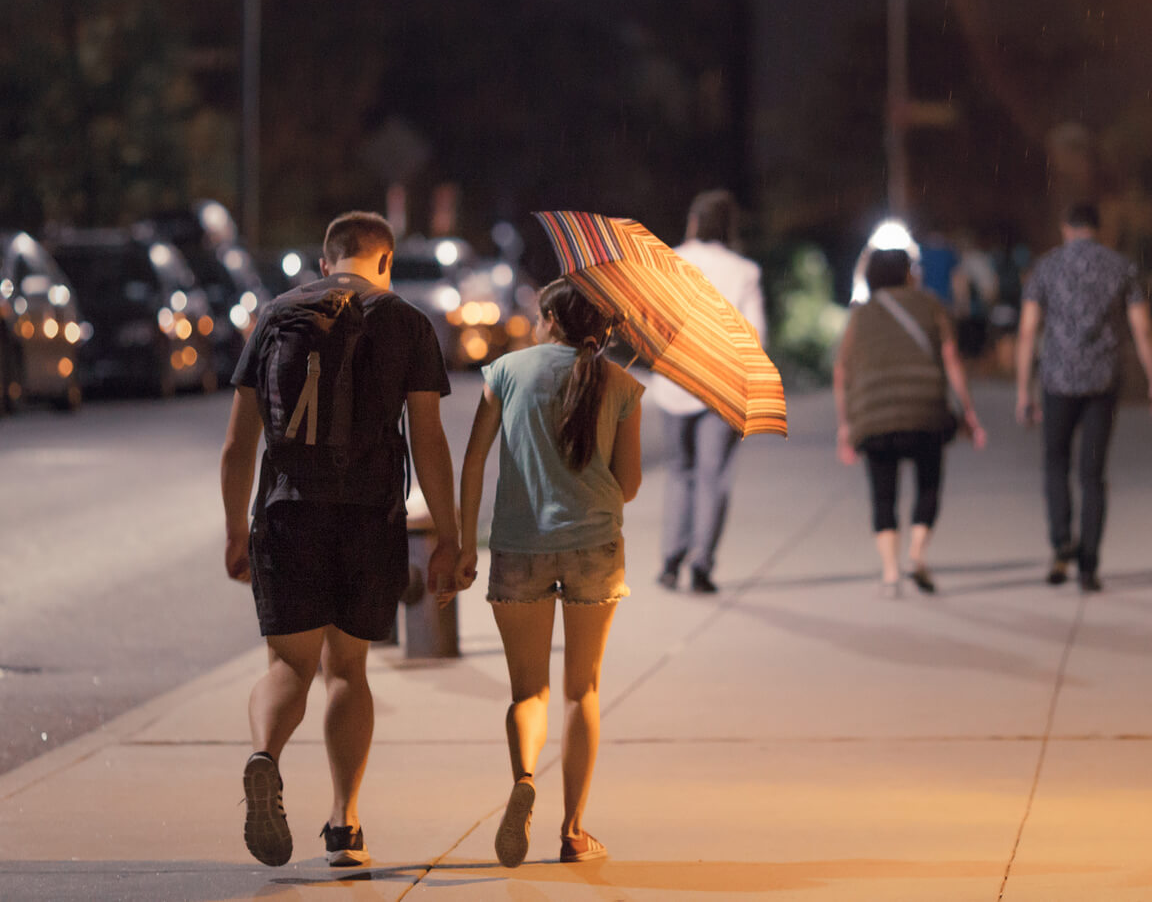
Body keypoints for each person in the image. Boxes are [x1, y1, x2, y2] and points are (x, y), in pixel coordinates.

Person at [220, 211, 460, 868]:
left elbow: (239, 444)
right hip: (367, 515)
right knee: (347, 669)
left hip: (288, 512)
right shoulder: (407, 321)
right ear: (383, 261)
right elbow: (430, 440)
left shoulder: (274, 316)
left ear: (326, 261)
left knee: (288, 666)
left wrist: (236, 528)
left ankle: (265, 754)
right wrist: (449, 534)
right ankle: (345, 823)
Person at [457, 277, 644, 868]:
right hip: (593, 547)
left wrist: (464, 543)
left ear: (550, 320)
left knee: (527, 691)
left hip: (518, 547)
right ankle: (573, 832)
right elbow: (630, 485)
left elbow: (474, 461)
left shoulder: (509, 372)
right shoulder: (621, 383)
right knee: (581, 688)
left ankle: (525, 778)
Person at [1014, 201, 1152, 592]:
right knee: (1093, 474)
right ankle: (1088, 566)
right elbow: (1143, 327)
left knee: (1055, 463)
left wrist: (1023, 390)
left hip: (1056, 381)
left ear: (1066, 228)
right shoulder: (1121, 267)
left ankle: (1062, 542)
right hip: (1102, 382)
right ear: (1098, 230)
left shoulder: (1046, 267)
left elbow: (1028, 330)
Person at [834, 248, 986, 597]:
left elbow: (842, 371)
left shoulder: (861, 315)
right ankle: (917, 553)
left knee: (882, 494)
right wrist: (968, 411)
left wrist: (845, 424)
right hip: (925, 409)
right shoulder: (931, 305)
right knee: (929, 485)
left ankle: (890, 573)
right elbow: (951, 359)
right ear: (907, 274)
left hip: (873, 414)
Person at [650, 190, 765, 594]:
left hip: (673, 385)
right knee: (712, 477)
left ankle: (669, 560)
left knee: (680, 473)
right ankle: (701, 563)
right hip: (721, 385)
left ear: (694, 222)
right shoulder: (743, 271)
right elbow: (756, 335)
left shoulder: (669, 262)